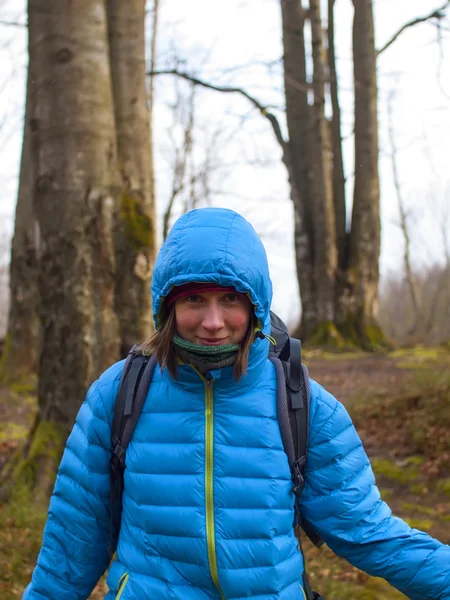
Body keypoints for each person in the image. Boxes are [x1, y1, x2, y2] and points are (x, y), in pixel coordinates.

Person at [24, 208, 450, 600]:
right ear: (167, 306)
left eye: (230, 299)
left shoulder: (303, 405)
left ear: (256, 304)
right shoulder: (117, 394)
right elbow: (71, 543)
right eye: (194, 299)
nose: (213, 322)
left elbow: (369, 532)